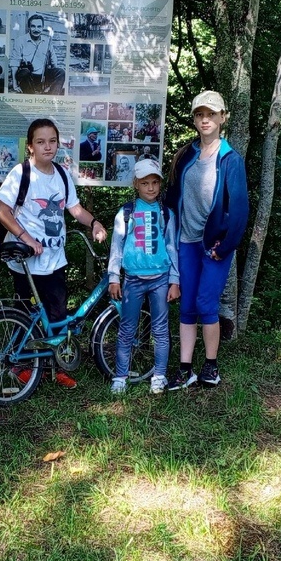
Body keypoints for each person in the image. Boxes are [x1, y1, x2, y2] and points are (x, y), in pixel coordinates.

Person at [0, 118, 107, 389]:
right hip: (25, 262)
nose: (48, 146)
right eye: (41, 142)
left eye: (52, 141)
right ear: (30, 146)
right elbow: (2, 212)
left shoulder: (61, 174)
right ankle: (21, 365)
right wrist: (27, 238)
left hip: (55, 261)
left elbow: (75, 209)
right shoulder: (20, 174)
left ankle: (56, 367)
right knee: (23, 314)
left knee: (56, 315)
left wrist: (94, 223)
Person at [165, 91, 248, 389]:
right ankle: (185, 368)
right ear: (194, 119)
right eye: (200, 114)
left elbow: (239, 211)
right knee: (187, 304)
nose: (205, 119)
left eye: (211, 114)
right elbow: (172, 198)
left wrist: (224, 246)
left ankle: (211, 367)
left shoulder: (230, 159)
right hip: (186, 242)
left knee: (205, 302)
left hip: (213, 247)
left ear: (222, 117)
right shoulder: (186, 154)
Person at [107, 158, 179, 396]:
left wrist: (175, 280)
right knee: (127, 328)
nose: (151, 188)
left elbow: (171, 248)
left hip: (160, 278)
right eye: (145, 183)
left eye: (155, 182)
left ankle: (159, 375)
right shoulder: (126, 213)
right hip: (133, 280)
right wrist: (114, 278)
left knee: (160, 329)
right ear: (136, 184)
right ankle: (120, 376)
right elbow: (116, 247)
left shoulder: (166, 214)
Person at [11, 13, 65, 94]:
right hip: (27, 76)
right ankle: (31, 95)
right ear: (29, 27)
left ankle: (52, 97)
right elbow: (14, 63)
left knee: (61, 72)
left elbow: (53, 60)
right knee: (24, 72)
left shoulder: (47, 41)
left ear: (42, 27)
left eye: (39, 26)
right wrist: (15, 84)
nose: (36, 29)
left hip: (43, 76)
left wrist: (53, 79)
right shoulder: (20, 41)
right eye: (33, 26)